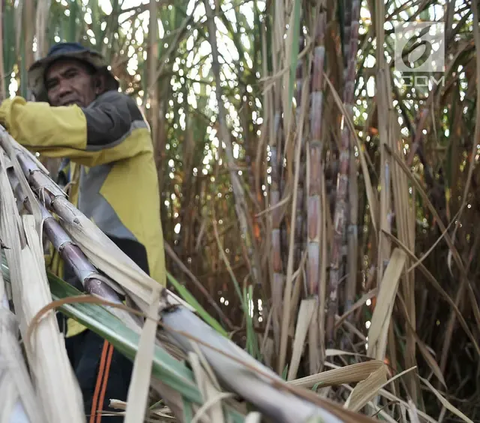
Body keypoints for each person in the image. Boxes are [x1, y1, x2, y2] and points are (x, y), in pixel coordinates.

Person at [0, 43, 166, 422]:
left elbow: (92, 130)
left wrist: (8, 114)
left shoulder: (122, 116)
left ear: (97, 81)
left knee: (100, 410)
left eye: (71, 75)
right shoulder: (70, 170)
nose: (60, 88)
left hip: (114, 293)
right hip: (75, 308)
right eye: (53, 83)